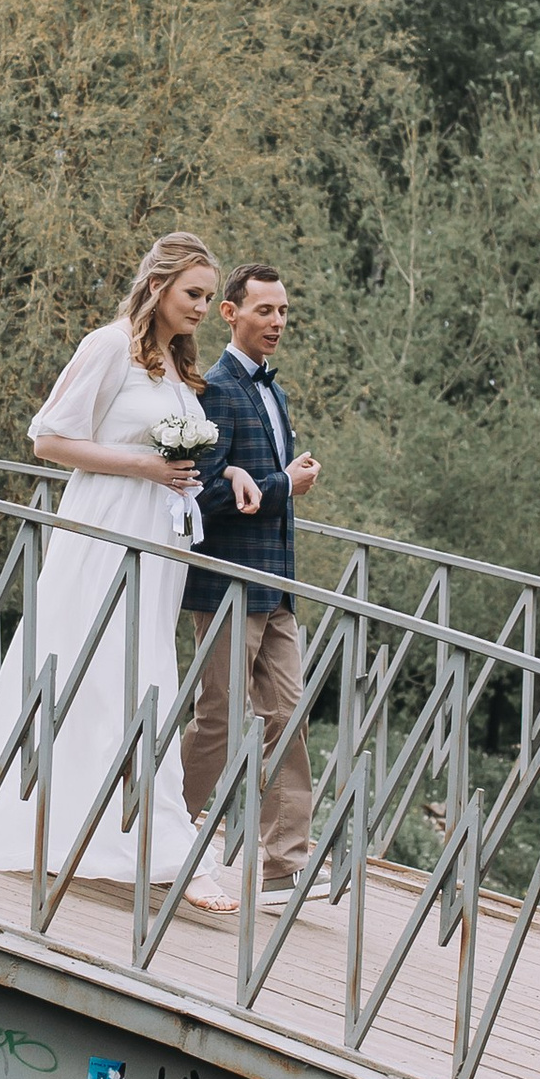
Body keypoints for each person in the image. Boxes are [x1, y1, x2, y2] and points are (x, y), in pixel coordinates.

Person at [0, 234, 241, 907]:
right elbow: (48, 438)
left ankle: (132, 839)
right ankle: (166, 852)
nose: (203, 306)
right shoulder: (109, 346)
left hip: (157, 542)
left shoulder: (173, 366)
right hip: (104, 532)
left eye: (207, 296)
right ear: (158, 286)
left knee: (142, 678)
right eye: (193, 293)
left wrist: (214, 470)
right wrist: (145, 465)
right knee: (92, 671)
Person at [181, 262, 322, 892]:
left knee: (287, 716)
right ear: (230, 313)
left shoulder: (275, 391)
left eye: (284, 311)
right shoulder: (215, 389)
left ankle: (284, 865)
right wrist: (281, 485)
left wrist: (282, 485)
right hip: (227, 587)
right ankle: (162, 831)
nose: (277, 322)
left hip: (277, 588)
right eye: (265, 310)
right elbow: (202, 495)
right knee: (217, 717)